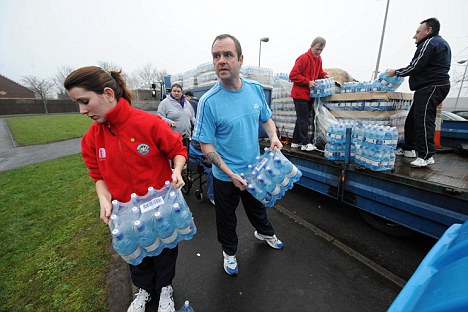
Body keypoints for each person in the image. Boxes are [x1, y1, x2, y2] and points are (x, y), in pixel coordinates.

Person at [64, 66, 188, 312]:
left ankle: (165, 289)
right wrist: (103, 199)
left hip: (160, 209)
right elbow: (97, 175)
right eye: (78, 104)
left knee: (165, 253)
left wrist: (177, 169)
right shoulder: (90, 139)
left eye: (84, 101)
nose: (82, 111)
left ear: (108, 94)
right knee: (136, 254)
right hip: (127, 216)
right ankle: (143, 290)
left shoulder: (149, 123)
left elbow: (178, 150)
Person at [192, 34, 284, 276]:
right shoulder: (208, 102)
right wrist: (230, 174)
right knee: (226, 218)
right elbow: (206, 146)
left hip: (254, 172)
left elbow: (267, 119)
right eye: (216, 56)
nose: (221, 61)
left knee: (258, 208)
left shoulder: (254, 90)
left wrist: (273, 137)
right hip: (225, 177)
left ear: (240, 59)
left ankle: (265, 232)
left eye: (227, 55)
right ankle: (229, 253)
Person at [387, 17, 451, 168]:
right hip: (427, 87)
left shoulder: (430, 43)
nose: (414, 36)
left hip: (431, 86)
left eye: (417, 32)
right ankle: (409, 148)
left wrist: (395, 72)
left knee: (423, 120)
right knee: (412, 120)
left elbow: (415, 66)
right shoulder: (437, 42)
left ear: (428, 30)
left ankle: (426, 155)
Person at [289, 37, 329, 151]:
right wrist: (307, 82)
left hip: (310, 94)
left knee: (301, 118)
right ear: (312, 46)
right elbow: (292, 75)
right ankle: (305, 143)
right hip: (300, 94)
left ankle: (295, 142)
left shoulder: (318, 59)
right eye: (317, 49)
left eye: (321, 50)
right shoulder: (303, 59)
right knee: (304, 119)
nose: (319, 52)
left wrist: (324, 74)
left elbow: (319, 72)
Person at [189, 138, 215, 205]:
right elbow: (205, 149)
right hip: (197, 158)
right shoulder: (200, 136)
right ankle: (211, 196)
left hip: (204, 155)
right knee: (212, 171)